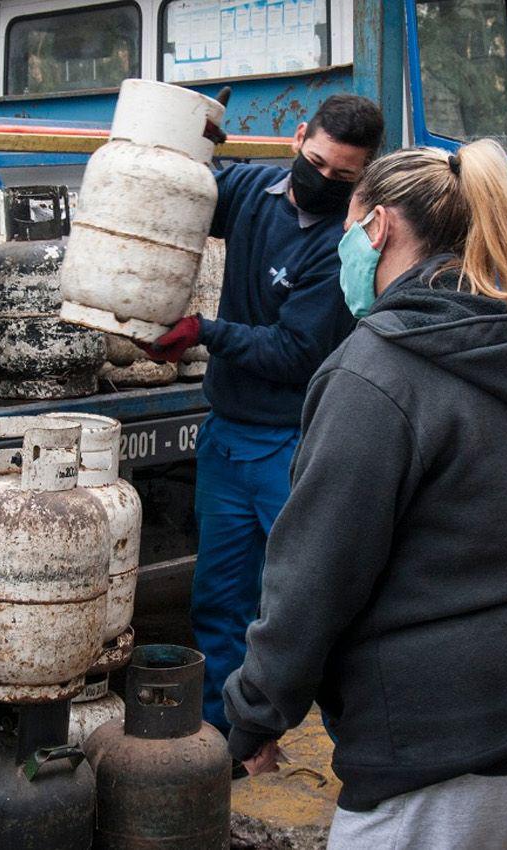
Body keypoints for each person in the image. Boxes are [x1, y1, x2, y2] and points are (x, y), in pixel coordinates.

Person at [221, 140, 507, 850]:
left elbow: (315, 573)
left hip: (442, 736)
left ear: (379, 228)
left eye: (347, 231)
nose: (342, 251)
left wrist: (255, 712)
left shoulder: (375, 371)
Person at [144, 94, 384, 747]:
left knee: (305, 605)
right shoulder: (252, 189)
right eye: (317, 162)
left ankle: (356, 742)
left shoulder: (342, 247)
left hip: (292, 443)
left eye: (343, 176)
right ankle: (234, 740)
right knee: (218, 599)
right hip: (227, 437)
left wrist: (203, 331)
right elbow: (184, 196)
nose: (323, 181)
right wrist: (182, 149)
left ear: (363, 174)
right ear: (298, 137)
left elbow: (294, 352)